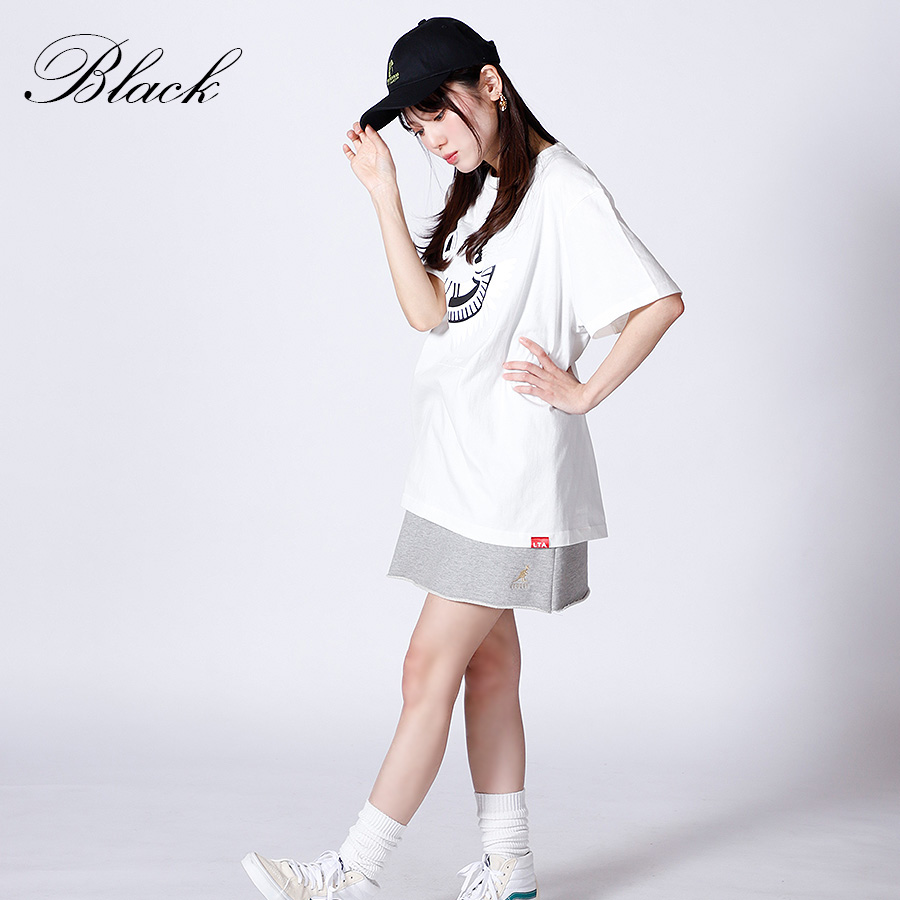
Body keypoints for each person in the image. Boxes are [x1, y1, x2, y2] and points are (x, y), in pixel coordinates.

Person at [242, 16, 684, 900]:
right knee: (489, 666)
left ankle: (352, 871)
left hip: (510, 486)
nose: (433, 140)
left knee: (426, 668)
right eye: (416, 130)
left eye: (437, 115)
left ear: (490, 84)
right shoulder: (479, 190)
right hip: (459, 473)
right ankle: (510, 865)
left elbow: (658, 302)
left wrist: (583, 393)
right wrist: (383, 194)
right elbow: (427, 312)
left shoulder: (563, 188)